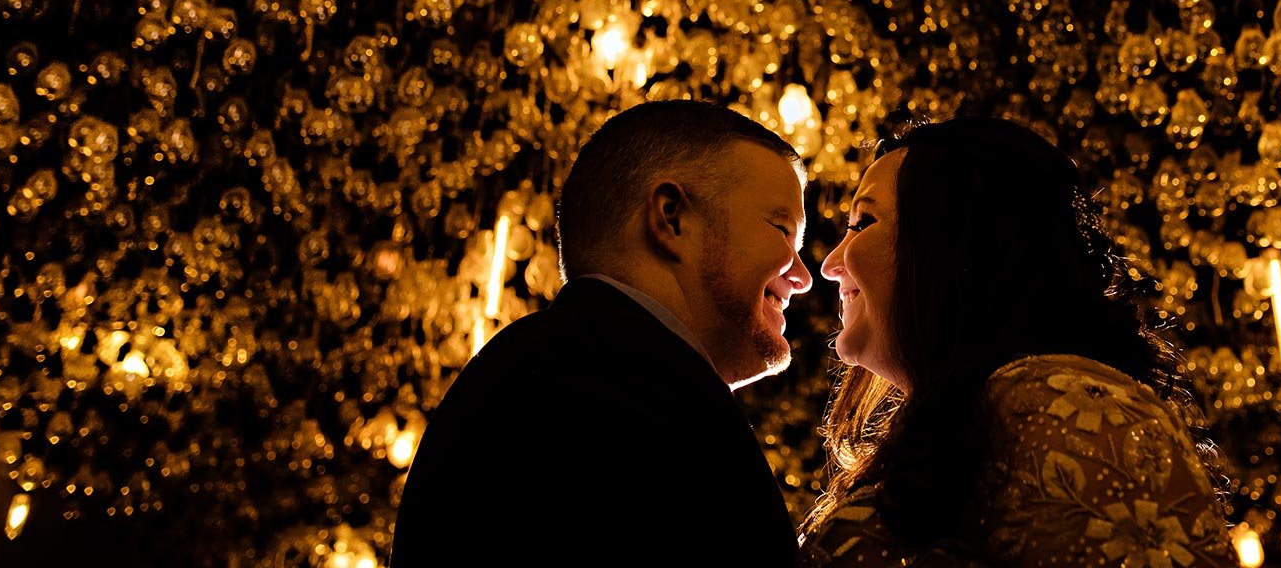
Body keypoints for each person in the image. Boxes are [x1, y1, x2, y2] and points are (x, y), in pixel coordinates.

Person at [391, 100, 812, 567]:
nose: (802, 277)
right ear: (672, 217)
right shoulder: (607, 393)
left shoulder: (547, 366)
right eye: (781, 230)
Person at [800, 117, 1234, 568]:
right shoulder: (969, 428)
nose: (830, 265)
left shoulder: (1060, 406)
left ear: (954, 242)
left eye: (863, 222)